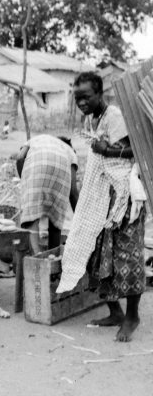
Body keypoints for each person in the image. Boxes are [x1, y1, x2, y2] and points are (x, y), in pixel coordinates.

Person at [57, 72, 146, 342]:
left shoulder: (116, 116)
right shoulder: (92, 118)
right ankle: (115, 312)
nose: (81, 102)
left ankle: (132, 317)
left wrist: (109, 152)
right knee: (97, 254)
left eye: (86, 97)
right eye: (77, 98)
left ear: (100, 93)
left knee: (127, 257)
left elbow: (138, 149)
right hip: (103, 197)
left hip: (126, 199)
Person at [16, 134, 79, 254]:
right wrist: (81, 219)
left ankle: (35, 257)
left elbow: (20, 157)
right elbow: (73, 192)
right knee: (56, 222)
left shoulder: (39, 138)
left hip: (37, 169)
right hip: (61, 175)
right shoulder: (70, 152)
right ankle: (52, 258)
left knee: (31, 217)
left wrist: (24, 180)